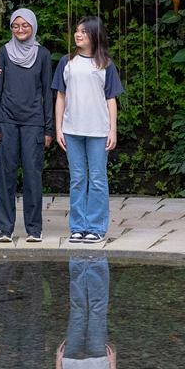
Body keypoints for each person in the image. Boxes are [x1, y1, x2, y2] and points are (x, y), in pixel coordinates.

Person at [51, 16, 123, 244]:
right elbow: (60, 96)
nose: (78, 35)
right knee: (78, 179)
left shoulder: (106, 64)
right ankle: (78, 227)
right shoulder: (67, 61)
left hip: (99, 131)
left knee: (99, 179)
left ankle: (96, 227)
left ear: (95, 36)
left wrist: (113, 130)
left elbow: (111, 99)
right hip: (72, 130)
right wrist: (58, 127)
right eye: (77, 31)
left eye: (83, 31)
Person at [0, 8, 54, 243]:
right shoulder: (4, 52)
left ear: (33, 26)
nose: (20, 29)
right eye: (15, 26)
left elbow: (47, 92)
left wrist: (48, 129)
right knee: (5, 175)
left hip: (34, 124)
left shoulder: (43, 54)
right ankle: (5, 229)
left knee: (33, 176)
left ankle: (34, 229)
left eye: (24, 25)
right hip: (6, 121)